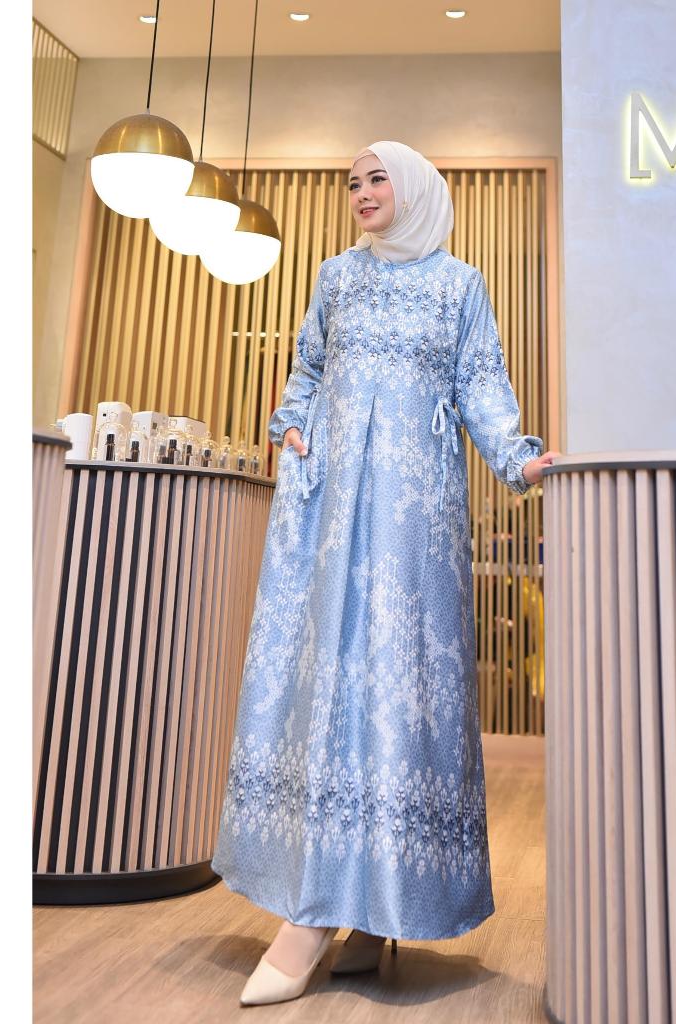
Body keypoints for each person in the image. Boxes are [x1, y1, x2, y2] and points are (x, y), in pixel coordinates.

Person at [210, 140, 560, 1007]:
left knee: (395, 691)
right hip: (331, 515)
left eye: (377, 179)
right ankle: (317, 907)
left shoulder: (459, 287)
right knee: (328, 686)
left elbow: (482, 386)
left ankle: (370, 913)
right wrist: (292, 422)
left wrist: (519, 459)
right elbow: (307, 369)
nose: (362, 193)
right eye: (352, 182)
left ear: (413, 189)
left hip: (411, 523)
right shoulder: (335, 277)